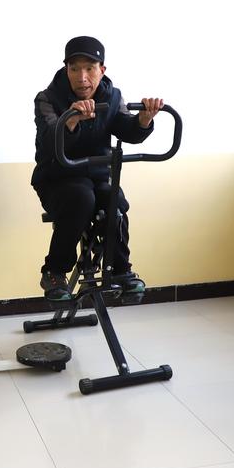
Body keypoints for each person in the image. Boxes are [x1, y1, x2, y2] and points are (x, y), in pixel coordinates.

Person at [32, 36, 163, 304]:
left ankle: (121, 270)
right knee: (81, 197)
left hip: (96, 176)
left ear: (101, 70)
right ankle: (54, 272)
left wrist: (143, 120)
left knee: (115, 201)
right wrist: (71, 120)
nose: (82, 77)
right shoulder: (48, 98)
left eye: (90, 68)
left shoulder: (112, 96)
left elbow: (127, 128)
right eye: (74, 69)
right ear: (66, 69)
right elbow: (49, 138)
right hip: (57, 178)